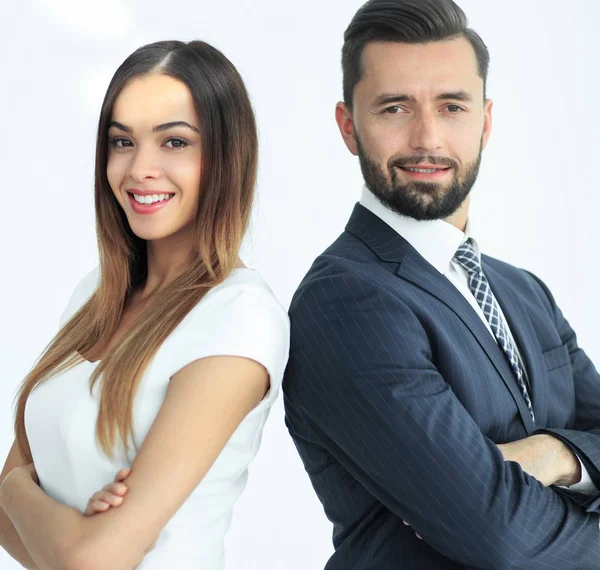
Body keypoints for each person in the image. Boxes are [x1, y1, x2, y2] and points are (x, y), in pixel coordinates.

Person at [283, 0, 600, 568]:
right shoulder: (346, 301)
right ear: (348, 126)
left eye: (452, 106)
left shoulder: (525, 292)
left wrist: (558, 454)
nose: (427, 138)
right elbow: (498, 535)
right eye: (395, 107)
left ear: (485, 121)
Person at [0, 40, 289, 570]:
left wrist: (17, 488)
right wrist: (57, 529)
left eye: (175, 142)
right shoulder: (96, 293)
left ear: (227, 156)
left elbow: (92, 560)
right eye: (122, 141)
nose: (140, 169)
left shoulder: (240, 318)